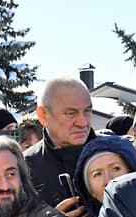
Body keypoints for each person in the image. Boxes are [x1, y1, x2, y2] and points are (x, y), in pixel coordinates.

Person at [25, 76, 95, 208]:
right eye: (71, 113)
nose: (83, 122)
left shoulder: (115, 155)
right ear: (43, 115)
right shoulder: (23, 169)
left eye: (87, 111)